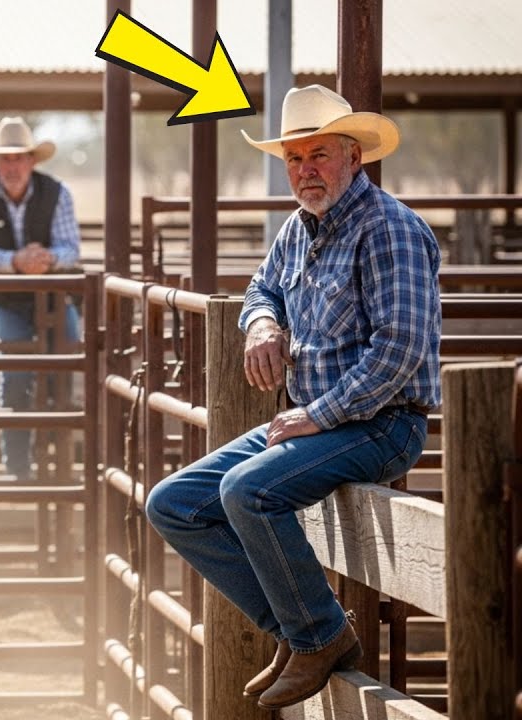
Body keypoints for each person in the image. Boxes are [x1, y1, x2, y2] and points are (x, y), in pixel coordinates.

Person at [144, 85, 441, 710]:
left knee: (246, 491)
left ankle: (317, 634)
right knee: (173, 503)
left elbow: (402, 350)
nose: (306, 171)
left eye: (320, 156)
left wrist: (316, 414)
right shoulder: (300, 227)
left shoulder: (387, 229)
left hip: (379, 422)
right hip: (317, 421)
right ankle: (304, 632)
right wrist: (262, 324)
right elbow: (261, 288)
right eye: (294, 160)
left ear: (353, 156)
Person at [0, 116, 81, 482]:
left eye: (18, 158)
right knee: (14, 372)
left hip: (53, 296)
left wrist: (43, 259)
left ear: (31, 160)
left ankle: (58, 456)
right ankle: (18, 465)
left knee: (66, 364)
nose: (12, 166)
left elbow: (70, 248)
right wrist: (17, 261)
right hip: (7, 299)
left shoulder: (57, 191)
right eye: (5, 158)